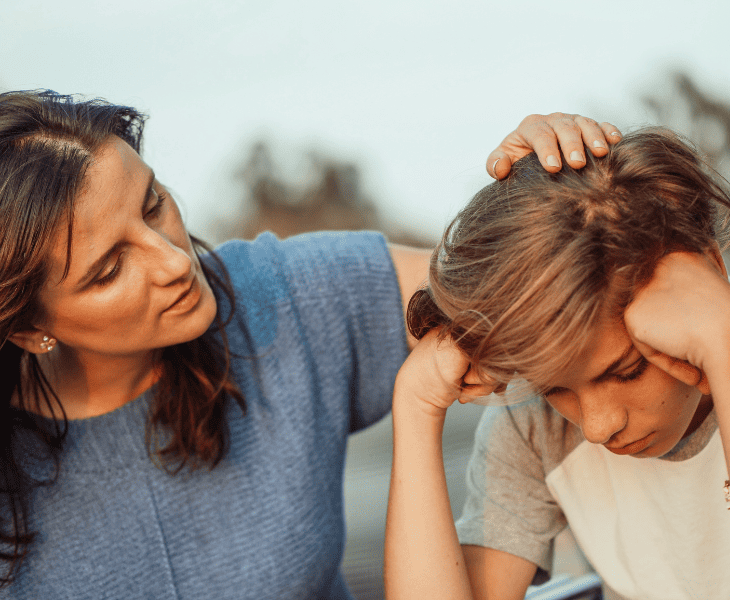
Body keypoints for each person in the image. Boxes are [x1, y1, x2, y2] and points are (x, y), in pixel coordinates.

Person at [0, 89, 619, 599]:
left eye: (154, 205)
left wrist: (561, 191)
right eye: (110, 269)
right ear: (29, 328)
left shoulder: (283, 297)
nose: (172, 262)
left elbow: (540, 284)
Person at [385, 128, 730, 600]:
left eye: (625, 370)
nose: (599, 427)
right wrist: (415, 407)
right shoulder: (534, 426)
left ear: (709, 268)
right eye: (554, 389)